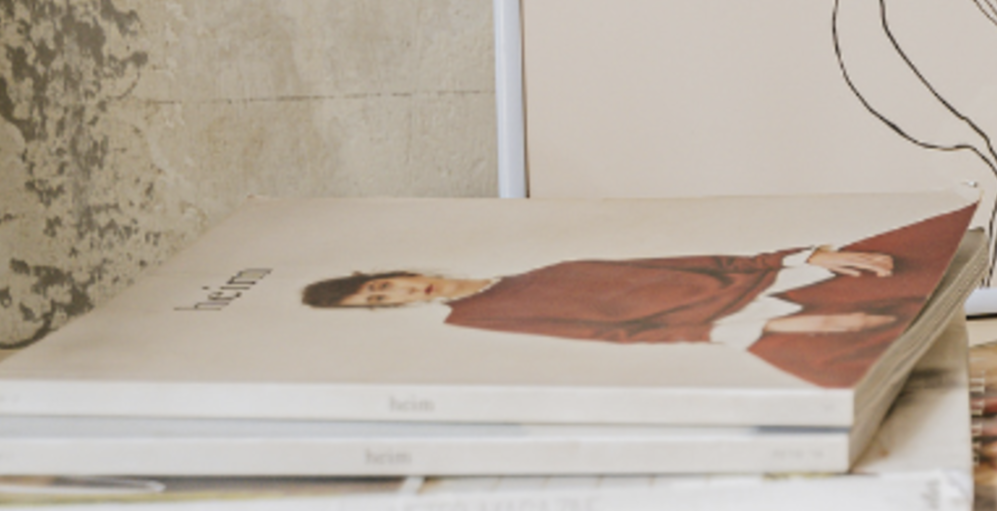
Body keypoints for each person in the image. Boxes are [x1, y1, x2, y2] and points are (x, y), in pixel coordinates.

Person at [300, 244, 898, 347]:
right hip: (754, 319)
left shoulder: (541, 266)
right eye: (382, 302)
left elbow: (684, 262)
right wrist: (766, 330)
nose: (399, 293)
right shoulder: (474, 319)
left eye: (381, 285)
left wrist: (801, 258)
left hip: (768, 280)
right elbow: (610, 334)